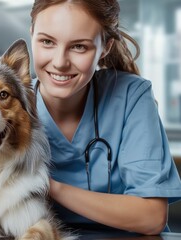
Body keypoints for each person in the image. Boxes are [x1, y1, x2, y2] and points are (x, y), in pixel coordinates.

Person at [29, 0, 181, 235]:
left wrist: (49, 187)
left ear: (106, 47)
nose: (60, 62)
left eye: (79, 47)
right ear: (31, 35)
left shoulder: (131, 95)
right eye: (47, 42)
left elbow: (151, 216)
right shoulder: (6, 108)